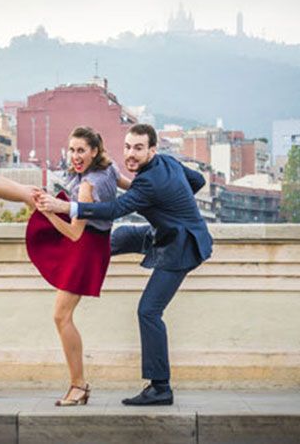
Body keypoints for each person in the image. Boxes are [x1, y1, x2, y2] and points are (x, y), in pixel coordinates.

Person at [0, 126, 130, 406]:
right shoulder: (109, 167)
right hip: (90, 236)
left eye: (81, 150)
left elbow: (74, 233)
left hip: (86, 245)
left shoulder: (87, 185)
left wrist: (47, 210)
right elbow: (131, 186)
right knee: (30, 192)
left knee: (61, 316)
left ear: (94, 151)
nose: (75, 156)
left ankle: (79, 385)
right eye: (71, 150)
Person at [35, 123, 213, 406]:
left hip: (181, 245)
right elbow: (197, 182)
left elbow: (115, 209)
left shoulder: (149, 182)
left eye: (138, 148)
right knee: (118, 237)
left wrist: (66, 208)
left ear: (152, 150)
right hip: (165, 232)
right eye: (128, 147)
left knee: (148, 311)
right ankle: (88, 259)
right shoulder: (168, 162)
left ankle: (160, 387)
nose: (131, 153)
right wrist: (171, 205)